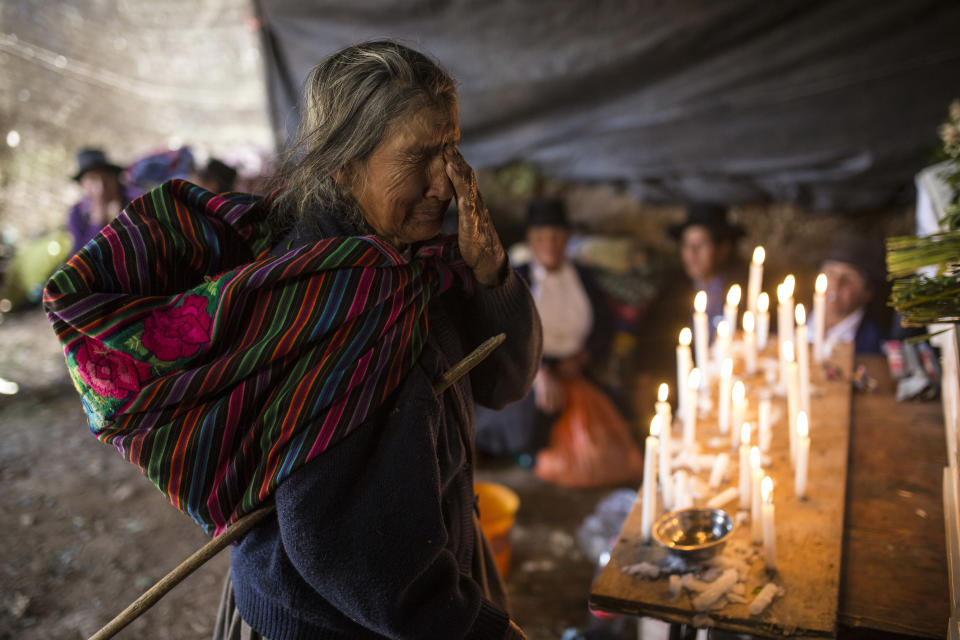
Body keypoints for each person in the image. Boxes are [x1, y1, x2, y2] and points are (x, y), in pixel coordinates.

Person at [44, 42, 539, 639]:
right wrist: (476, 630)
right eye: (421, 157)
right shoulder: (331, 305)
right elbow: (350, 550)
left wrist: (492, 278)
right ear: (344, 164)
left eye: (452, 150)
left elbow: (504, 380)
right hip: (345, 621)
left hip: (424, 580)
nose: (447, 182)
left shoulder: (414, 271)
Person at [475, 198, 613, 459]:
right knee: (526, 418)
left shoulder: (585, 277)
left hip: (579, 367)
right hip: (529, 369)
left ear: (567, 238)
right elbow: (505, 333)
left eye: (557, 236)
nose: (550, 244)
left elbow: (605, 326)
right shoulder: (515, 279)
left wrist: (582, 358)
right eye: (541, 237)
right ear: (531, 240)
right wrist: (540, 373)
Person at [817, 234, 888, 355]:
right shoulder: (789, 324)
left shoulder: (878, 347)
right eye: (830, 273)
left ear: (867, 293)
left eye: (848, 278)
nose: (835, 285)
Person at [66, 148, 142, 254]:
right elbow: (80, 256)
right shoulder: (77, 213)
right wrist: (98, 221)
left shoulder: (137, 200)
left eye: (106, 178)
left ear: (115, 178)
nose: (101, 187)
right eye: (92, 179)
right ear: (83, 185)